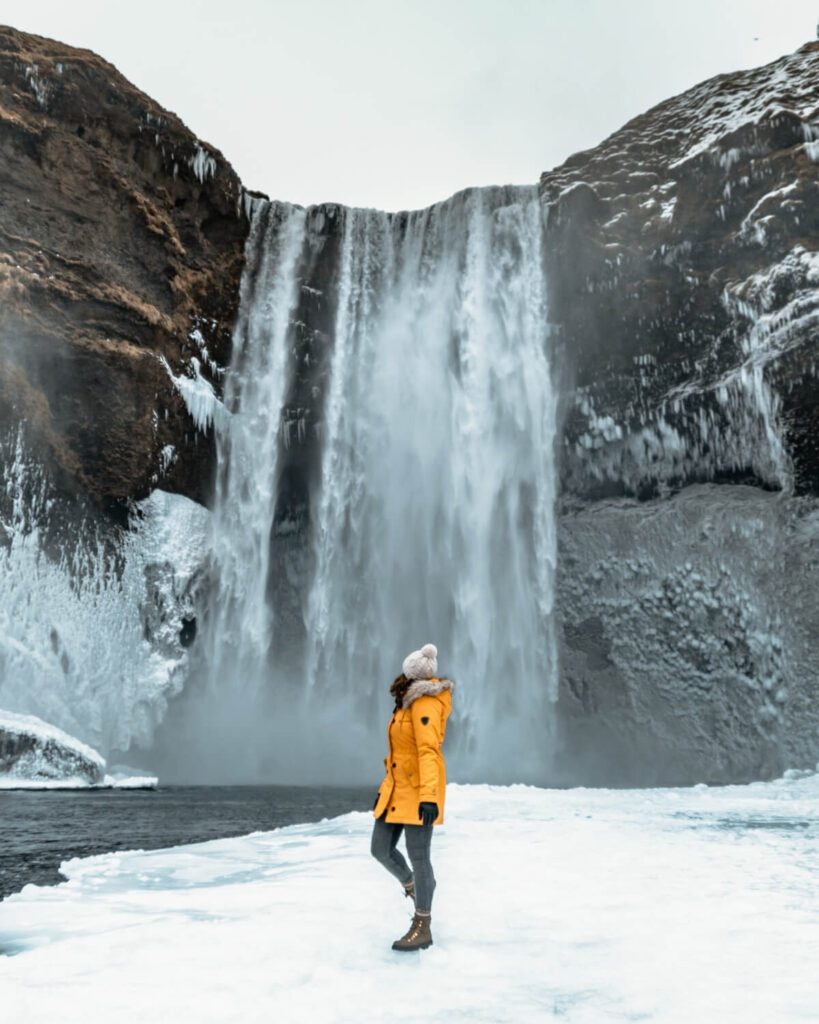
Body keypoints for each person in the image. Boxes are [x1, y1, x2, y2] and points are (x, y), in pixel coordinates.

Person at [370, 643, 454, 951]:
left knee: (419, 857)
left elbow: (428, 751)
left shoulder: (426, 702)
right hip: (396, 789)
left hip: (419, 793)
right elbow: (398, 754)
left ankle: (423, 924)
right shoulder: (406, 700)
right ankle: (416, 888)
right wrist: (384, 790)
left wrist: (430, 795)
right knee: (380, 849)